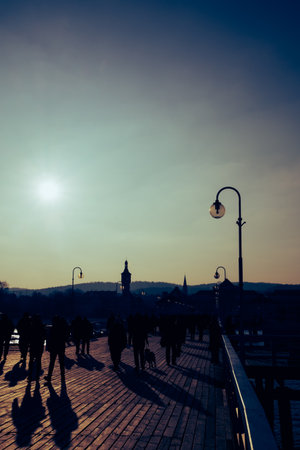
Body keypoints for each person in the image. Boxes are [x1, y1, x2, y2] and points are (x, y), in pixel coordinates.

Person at [44, 315, 69, 384]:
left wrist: (48, 347)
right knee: (61, 362)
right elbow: (66, 337)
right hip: (61, 347)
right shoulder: (62, 328)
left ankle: (49, 377)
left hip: (53, 347)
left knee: (52, 362)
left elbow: (49, 339)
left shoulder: (52, 328)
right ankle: (62, 376)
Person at [28, 315, 45, 382]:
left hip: (33, 345)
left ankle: (30, 374)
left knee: (31, 360)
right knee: (38, 360)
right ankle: (37, 375)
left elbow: (29, 336)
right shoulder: (41, 327)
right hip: (39, 345)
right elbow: (44, 336)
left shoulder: (31, 327)